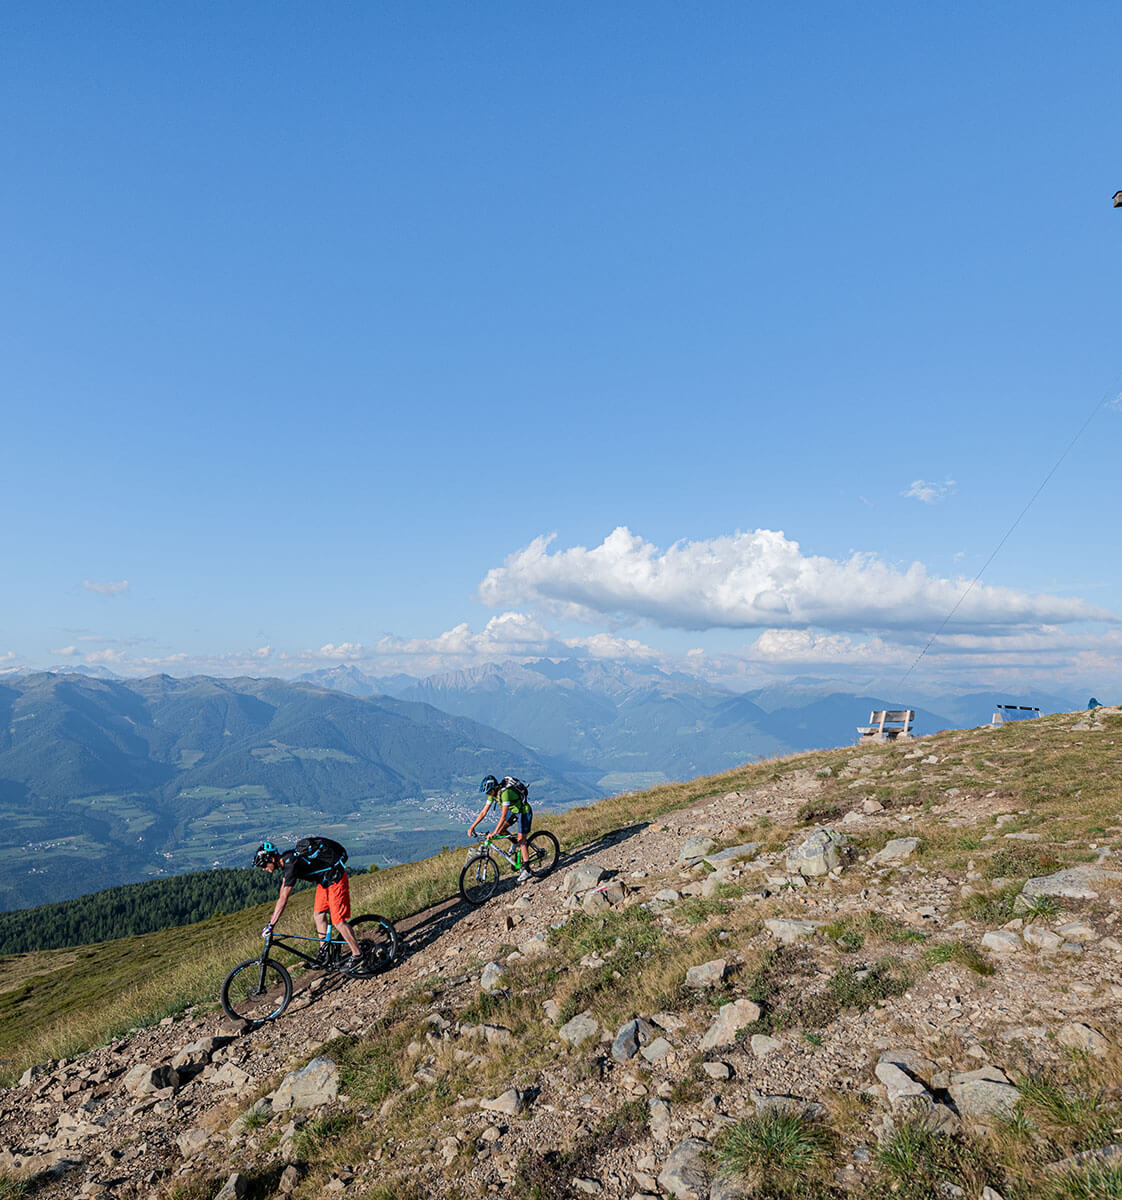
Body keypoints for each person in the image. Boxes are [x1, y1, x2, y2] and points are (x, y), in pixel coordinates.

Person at [253, 837, 363, 970]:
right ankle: (324, 954)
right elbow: (282, 892)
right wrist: (271, 921)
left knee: (338, 922)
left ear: (271, 859)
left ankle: (358, 954)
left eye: (263, 865)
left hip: (336, 879)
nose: (263, 869)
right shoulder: (287, 861)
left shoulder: (290, 863)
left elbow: (284, 898)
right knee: (318, 914)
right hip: (324, 882)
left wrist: (271, 925)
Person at [468, 774, 533, 882]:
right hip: (513, 811)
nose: (488, 794)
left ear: (494, 788)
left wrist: (494, 832)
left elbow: (503, 816)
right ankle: (515, 842)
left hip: (523, 811)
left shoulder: (505, 793)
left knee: (522, 841)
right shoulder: (492, 794)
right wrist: (472, 827)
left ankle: (527, 870)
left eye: (489, 791)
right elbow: (483, 812)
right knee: (502, 831)